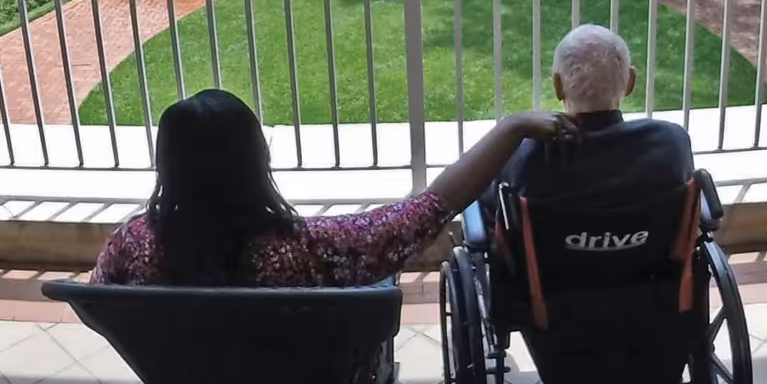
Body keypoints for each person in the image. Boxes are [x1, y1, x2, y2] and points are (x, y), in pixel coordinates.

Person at [91, 88, 572, 286]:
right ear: (258, 160)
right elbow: (432, 207)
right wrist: (512, 127)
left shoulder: (131, 247)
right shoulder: (310, 249)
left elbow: (99, 306)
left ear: (167, 165)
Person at [497, 24, 694, 204]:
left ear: (557, 86)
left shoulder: (525, 156)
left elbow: (492, 214)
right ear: (630, 82)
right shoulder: (672, 143)